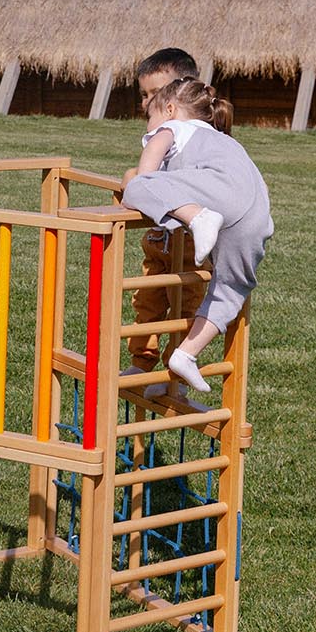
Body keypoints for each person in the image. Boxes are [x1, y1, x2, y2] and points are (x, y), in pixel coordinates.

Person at [122, 77, 273, 394]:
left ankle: (197, 217)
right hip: (256, 214)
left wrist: (149, 191)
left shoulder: (172, 128)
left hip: (217, 199)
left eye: (150, 116)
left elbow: (147, 176)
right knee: (231, 289)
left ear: (170, 108)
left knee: (134, 186)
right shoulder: (226, 141)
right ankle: (186, 355)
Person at [123, 49, 209, 395]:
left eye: (154, 94)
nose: (146, 103)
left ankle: (176, 377)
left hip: (191, 250)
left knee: (187, 309)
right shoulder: (159, 136)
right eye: (143, 95)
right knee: (147, 304)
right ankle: (141, 362)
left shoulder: (200, 138)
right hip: (159, 244)